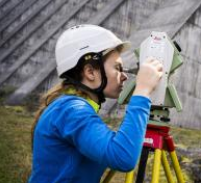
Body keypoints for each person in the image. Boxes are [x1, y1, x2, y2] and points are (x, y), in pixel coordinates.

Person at [28, 24, 163, 183]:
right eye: (118, 68)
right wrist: (143, 91)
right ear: (90, 72)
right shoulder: (72, 111)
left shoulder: (68, 107)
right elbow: (123, 157)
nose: (124, 76)